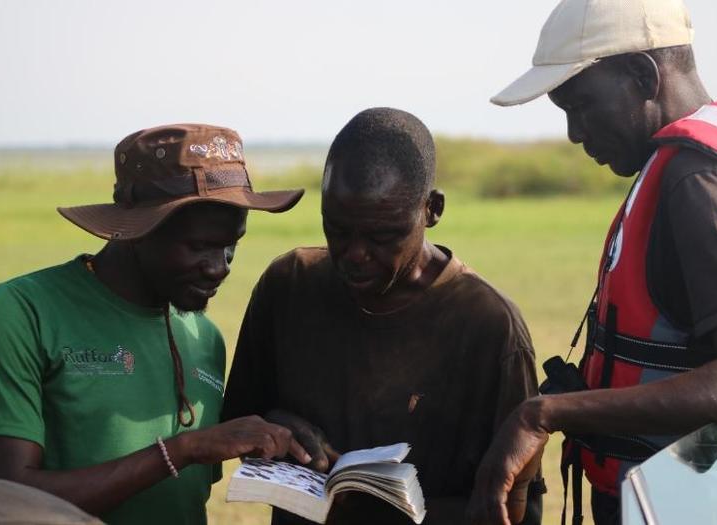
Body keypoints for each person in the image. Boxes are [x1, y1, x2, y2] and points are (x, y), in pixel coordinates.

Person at [468, 1, 717, 524]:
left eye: (580, 105)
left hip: (703, 506)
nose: (573, 133)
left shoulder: (699, 179)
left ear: (642, 75)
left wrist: (543, 415)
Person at [0, 124, 314, 525]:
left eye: (231, 247)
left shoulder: (204, 337)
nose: (218, 268)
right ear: (139, 229)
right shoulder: (22, 312)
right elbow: (7, 496)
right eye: (199, 246)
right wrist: (182, 449)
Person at [222, 107, 545, 525]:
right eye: (337, 230)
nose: (355, 254)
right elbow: (237, 425)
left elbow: (519, 511)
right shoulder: (289, 286)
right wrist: (280, 427)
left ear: (432, 210)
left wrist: (376, 512)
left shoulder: (487, 326)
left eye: (383, 236)